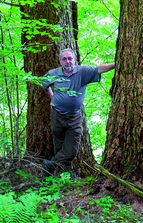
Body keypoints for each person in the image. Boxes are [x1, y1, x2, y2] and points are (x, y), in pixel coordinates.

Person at [41, 48, 115, 178]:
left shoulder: (82, 72)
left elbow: (99, 69)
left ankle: (50, 165)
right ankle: (66, 176)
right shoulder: (54, 73)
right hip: (57, 115)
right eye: (64, 59)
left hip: (74, 117)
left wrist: (116, 64)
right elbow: (44, 84)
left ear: (74, 60)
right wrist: (53, 98)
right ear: (60, 61)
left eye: (70, 58)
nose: (67, 61)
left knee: (71, 151)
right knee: (59, 147)